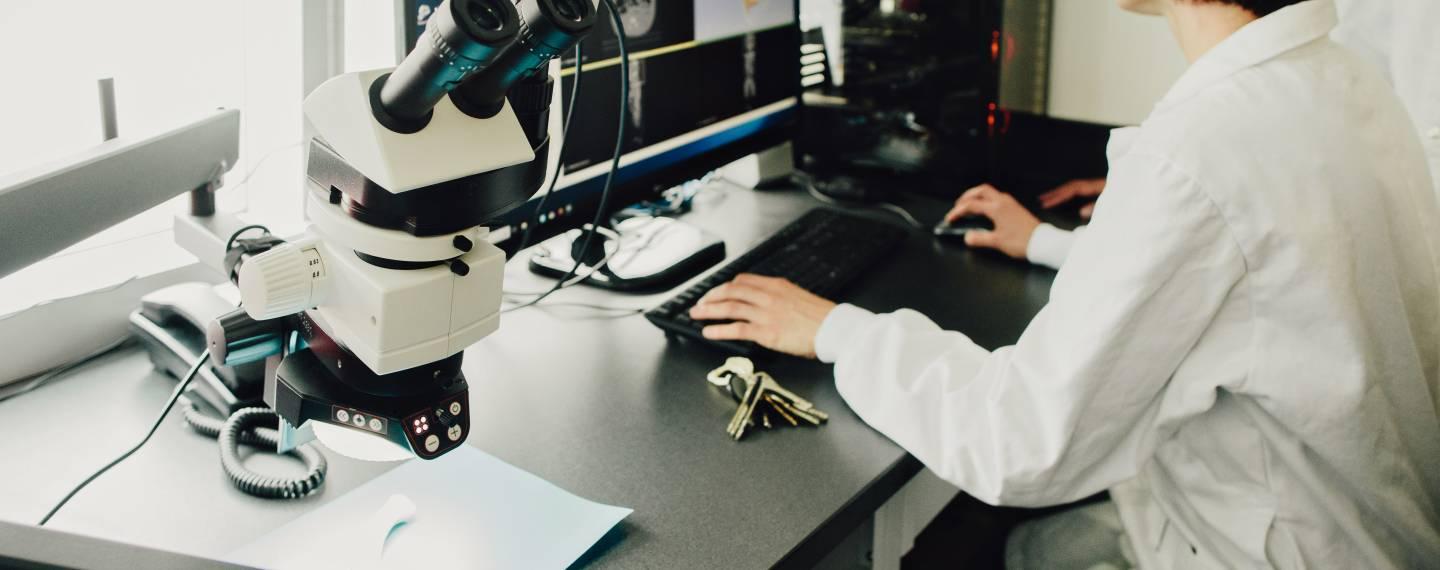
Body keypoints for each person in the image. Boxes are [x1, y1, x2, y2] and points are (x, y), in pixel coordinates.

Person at [690, 0, 1440, 567]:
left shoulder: (1202, 147)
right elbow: (1253, 283)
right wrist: (1047, 241)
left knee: (1010, 548)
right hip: (1369, 521)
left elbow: (1023, 442)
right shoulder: (1335, 75)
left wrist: (835, 330)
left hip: (1267, 548)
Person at [957, 0, 1440, 274]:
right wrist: (1163, 193)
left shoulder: (1209, 139)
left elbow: (1031, 432)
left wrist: (1181, 187)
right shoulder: (1335, 77)